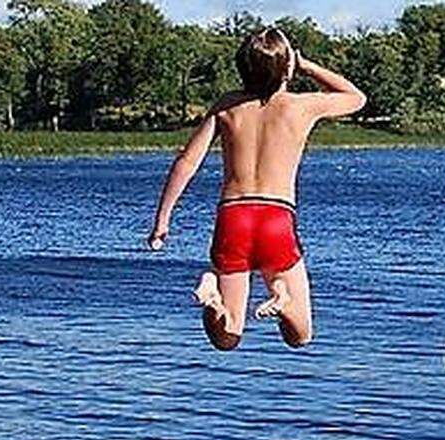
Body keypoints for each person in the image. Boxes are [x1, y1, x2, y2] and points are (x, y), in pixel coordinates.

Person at [147, 28, 366, 351]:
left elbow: (186, 163)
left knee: (228, 337)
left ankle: (213, 297)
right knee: (300, 335)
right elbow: (356, 98)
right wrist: (307, 66)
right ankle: (283, 296)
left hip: (233, 217)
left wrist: (162, 221)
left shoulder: (227, 107)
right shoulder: (301, 106)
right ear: (286, 66)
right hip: (276, 217)